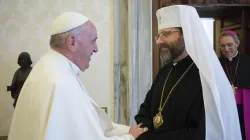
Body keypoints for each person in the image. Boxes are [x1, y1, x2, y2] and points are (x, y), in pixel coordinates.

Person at [8, 12, 147, 140]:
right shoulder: (61, 81)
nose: (96, 48)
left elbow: (92, 125)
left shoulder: (48, 66)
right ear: (72, 42)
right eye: (93, 41)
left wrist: (127, 130)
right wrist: (129, 137)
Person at [134, 5, 242, 140]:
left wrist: (148, 137)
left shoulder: (206, 77)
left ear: (187, 34)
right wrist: (144, 129)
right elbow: (145, 110)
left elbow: (204, 132)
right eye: (159, 35)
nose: (159, 41)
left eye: (166, 34)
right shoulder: (164, 72)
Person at [218, 30, 250, 140]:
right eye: (222, 46)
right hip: (224, 107)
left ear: (237, 43)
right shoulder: (216, 63)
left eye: (229, 45)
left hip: (244, 107)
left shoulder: (247, 61)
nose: (226, 49)